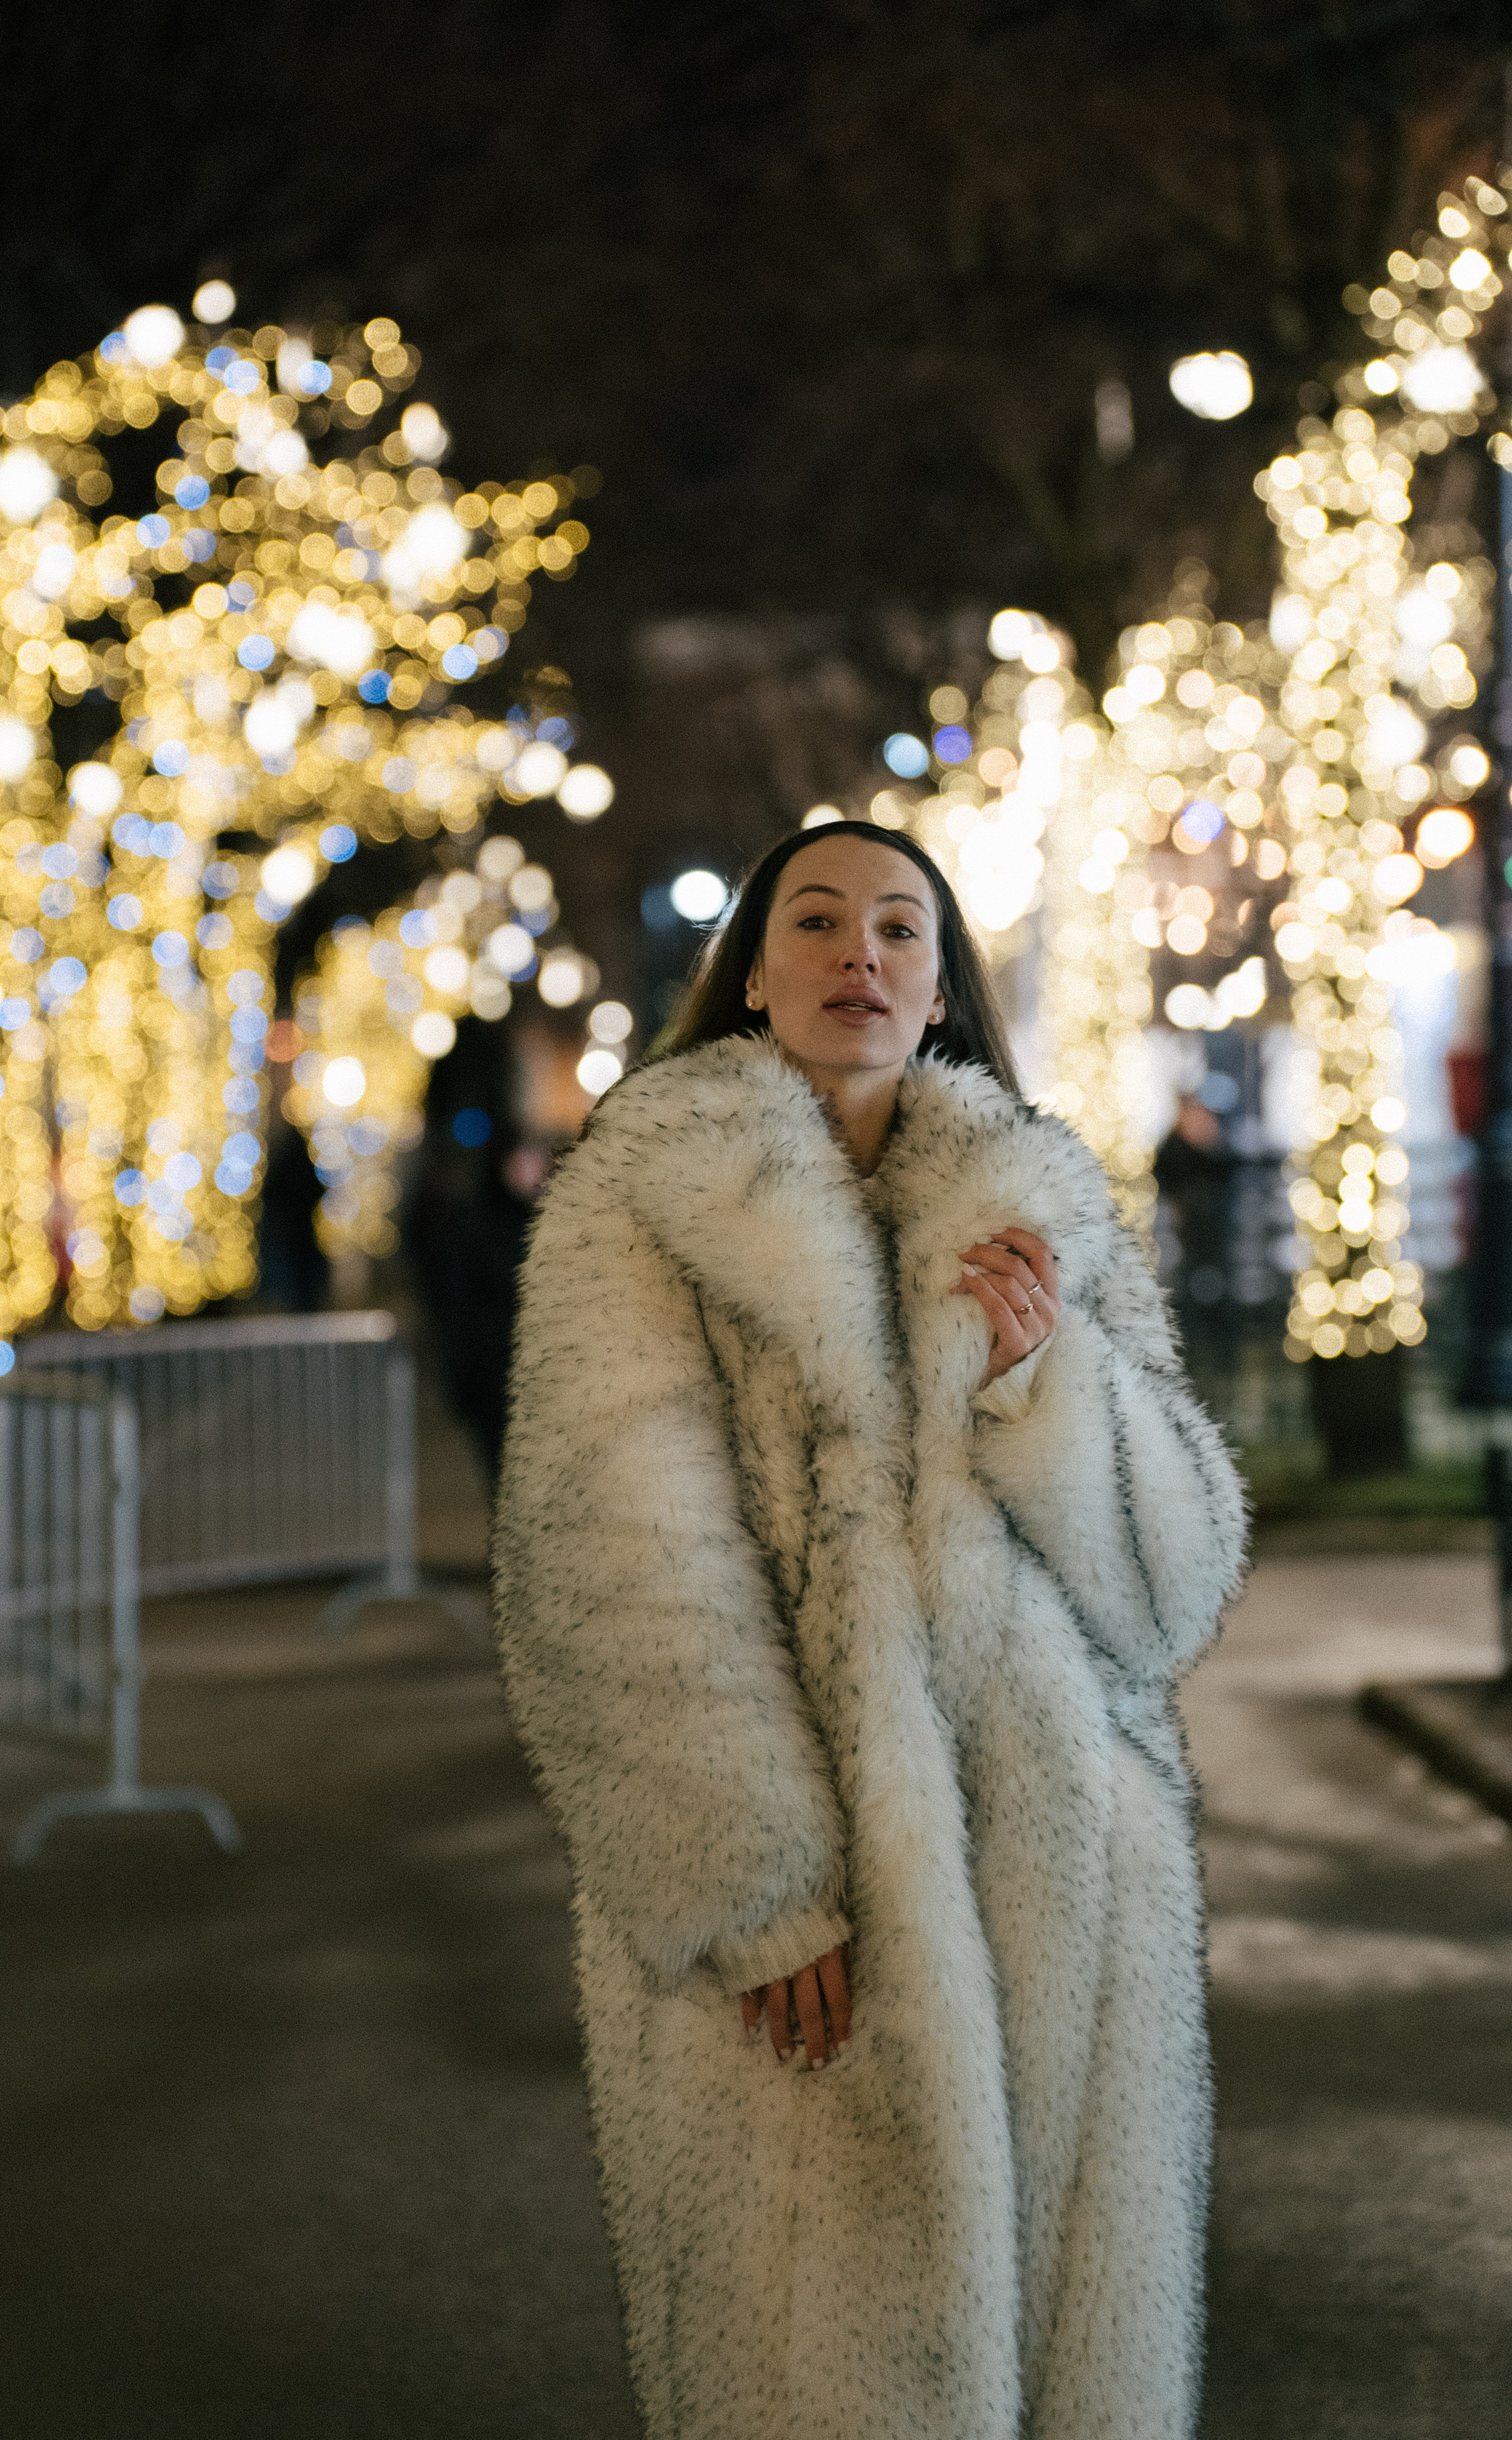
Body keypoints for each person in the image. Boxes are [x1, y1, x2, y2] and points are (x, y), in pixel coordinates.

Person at [493, 821, 1244, 2440]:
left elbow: (1167, 1583)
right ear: (752, 977)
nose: (860, 955)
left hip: (1060, 1885)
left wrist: (1042, 1385)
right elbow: (617, 1564)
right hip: (808, 1901)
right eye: (816, 922)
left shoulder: (1035, 1201)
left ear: (941, 986)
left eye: (899, 930)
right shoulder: (645, 1202)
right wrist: (750, 1884)